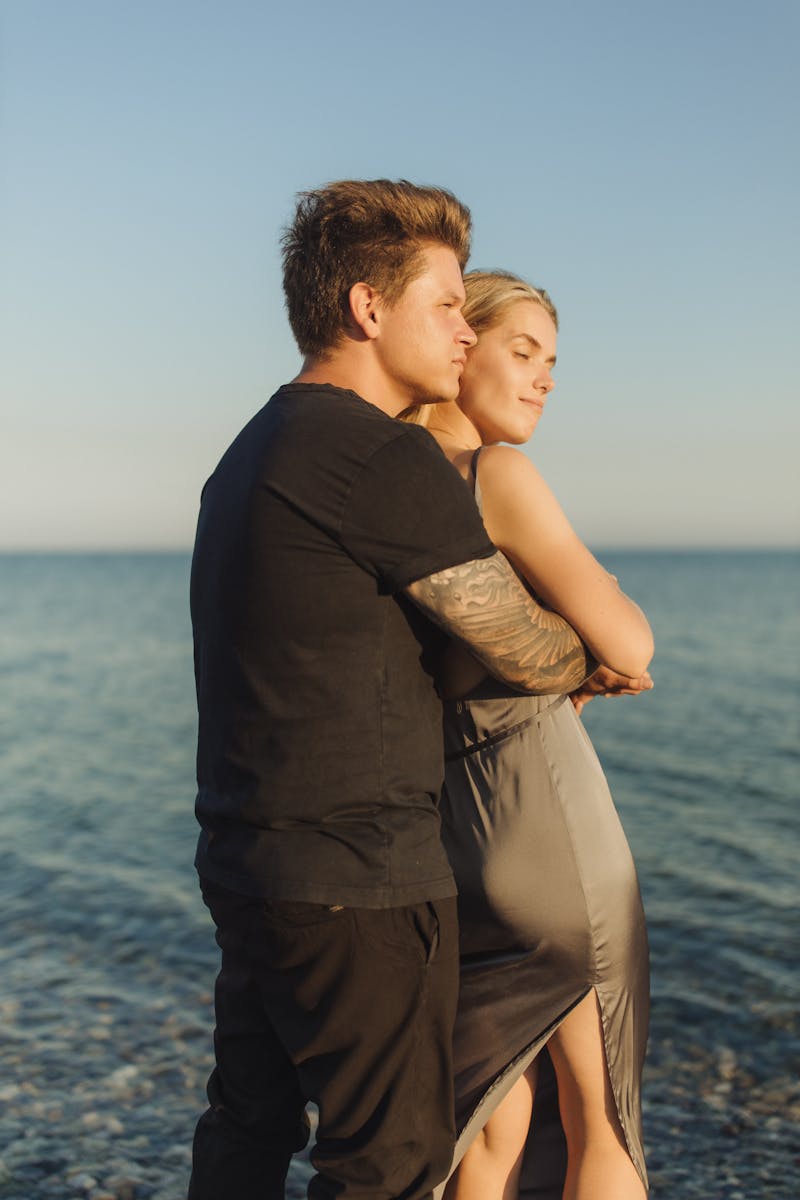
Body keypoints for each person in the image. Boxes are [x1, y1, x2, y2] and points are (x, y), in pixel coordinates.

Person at [188, 184, 595, 1200]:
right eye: (449, 304)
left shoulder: (251, 450)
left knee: (246, 1134)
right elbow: (520, 646)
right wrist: (583, 648)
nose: (465, 333)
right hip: (358, 882)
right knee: (388, 1161)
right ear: (368, 309)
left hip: (250, 863)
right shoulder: (378, 452)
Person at [405, 270, 654, 1200]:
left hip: (451, 837)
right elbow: (632, 639)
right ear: (459, 348)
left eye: (553, 362)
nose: (545, 379)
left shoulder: (388, 492)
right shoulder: (491, 476)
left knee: (492, 1119)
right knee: (603, 1122)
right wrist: (600, 628)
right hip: (550, 832)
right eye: (523, 352)